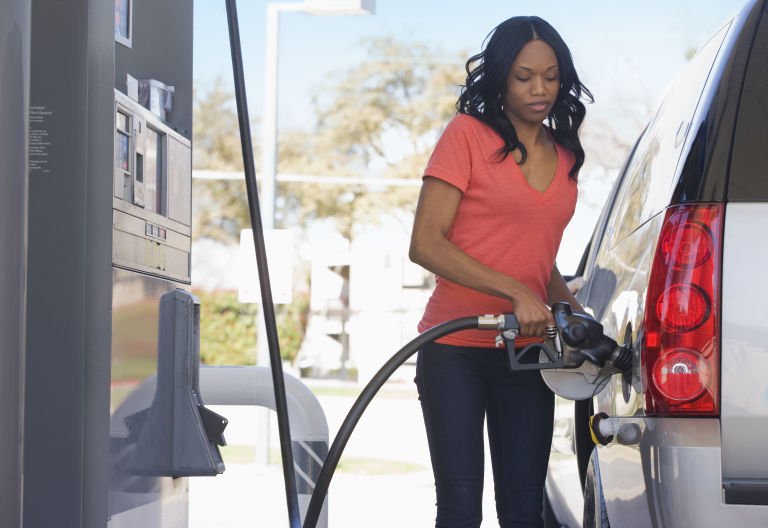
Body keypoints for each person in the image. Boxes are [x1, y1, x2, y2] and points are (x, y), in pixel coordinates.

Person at [409, 15, 592, 528]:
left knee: (524, 509)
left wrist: (574, 314)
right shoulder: (466, 136)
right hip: (453, 352)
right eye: (524, 76)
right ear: (500, 79)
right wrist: (514, 291)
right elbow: (425, 244)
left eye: (551, 76)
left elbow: (537, 256)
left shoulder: (566, 154)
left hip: (528, 351)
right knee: (461, 510)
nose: (540, 89)